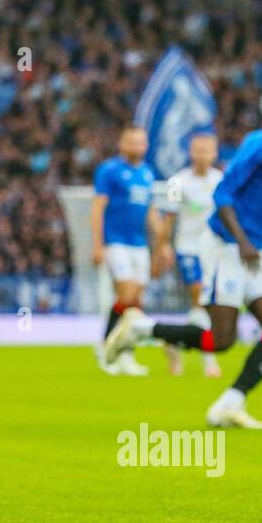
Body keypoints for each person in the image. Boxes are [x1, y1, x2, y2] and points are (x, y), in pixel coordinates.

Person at [104, 84, 262, 428]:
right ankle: (142, 328)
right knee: (221, 340)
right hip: (224, 243)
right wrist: (242, 242)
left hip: (253, 251)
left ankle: (229, 402)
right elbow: (223, 195)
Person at [91, 126, 172, 376]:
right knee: (126, 296)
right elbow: (97, 209)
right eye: (132, 142)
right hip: (116, 242)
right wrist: (97, 245)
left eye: (140, 142)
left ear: (146, 145)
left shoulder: (147, 174)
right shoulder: (109, 171)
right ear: (122, 144)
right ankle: (106, 347)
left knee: (136, 302)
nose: (137, 147)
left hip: (139, 245)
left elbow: (150, 213)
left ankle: (124, 354)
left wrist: (163, 243)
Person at [160, 133, 223, 378]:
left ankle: (174, 340)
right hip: (188, 248)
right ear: (190, 153)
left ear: (214, 153)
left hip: (214, 250)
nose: (202, 155)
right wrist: (163, 246)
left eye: (207, 150)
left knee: (208, 304)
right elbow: (170, 217)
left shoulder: (222, 181)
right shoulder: (177, 182)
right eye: (198, 150)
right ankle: (210, 361)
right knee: (200, 296)